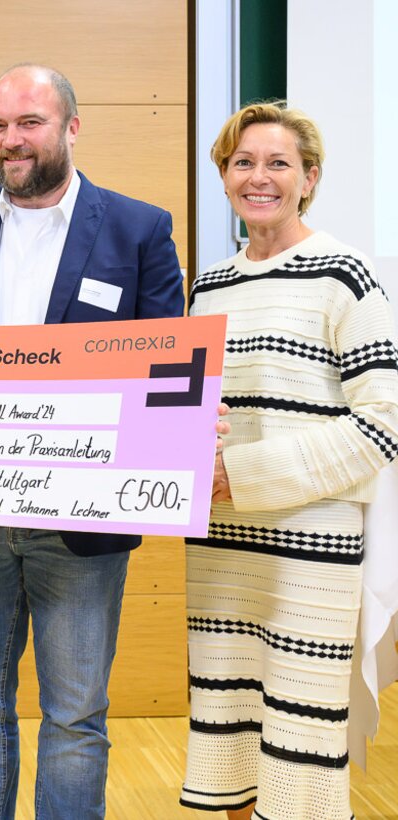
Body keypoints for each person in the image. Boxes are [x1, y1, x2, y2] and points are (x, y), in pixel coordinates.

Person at [0, 64, 185, 819]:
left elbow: (167, 367)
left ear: (70, 126)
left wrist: (182, 434)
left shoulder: (139, 228)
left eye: (28, 122)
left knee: (75, 716)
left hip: (84, 528)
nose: (11, 140)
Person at [182, 103, 398, 820]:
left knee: (301, 744)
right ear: (223, 177)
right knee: (226, 731)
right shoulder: (208, 285)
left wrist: (239, 476)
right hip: (220, 549)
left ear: (310, 179)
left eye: (279, 163)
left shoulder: (348, 274)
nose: (260, 177)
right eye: (243, 162)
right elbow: (184, 411)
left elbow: (384, 424)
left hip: (311, 550)